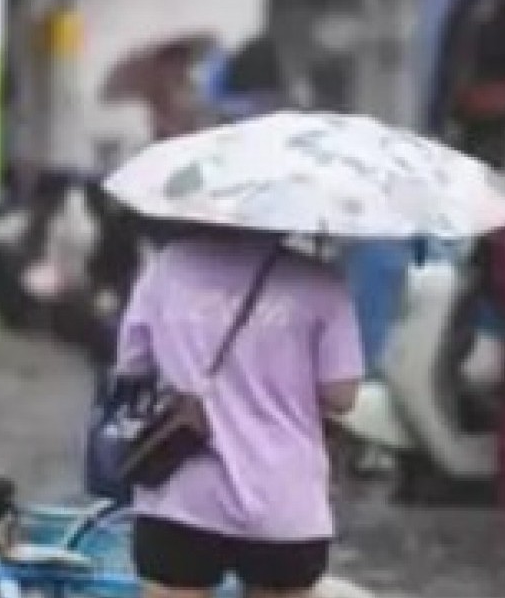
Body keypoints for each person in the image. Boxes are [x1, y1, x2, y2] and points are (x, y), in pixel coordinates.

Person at [116, 227, 363, 598]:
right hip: (282, 505)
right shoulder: (320, 282)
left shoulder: (167, 267)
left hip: (180, 493)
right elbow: (342, 396)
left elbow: (132, 365)